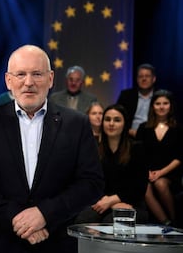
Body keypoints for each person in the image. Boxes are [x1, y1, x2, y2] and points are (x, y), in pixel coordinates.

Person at [0, 44, 104, 253]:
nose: (28, 82)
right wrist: (16, 218)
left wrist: (45, 214)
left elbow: (91, 183)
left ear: (51, 78)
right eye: (20, 74)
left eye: (37, 74)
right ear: (8, 80)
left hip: (56, 246)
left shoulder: (77, 123)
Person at [75, 104, 149, 224]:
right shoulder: (95, 149)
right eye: (107, 119)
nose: (111, 123)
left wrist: (114, 200)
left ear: (125, 124)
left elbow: (139, 186)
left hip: (130, 202)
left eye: (117, 120)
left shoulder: (137, 148)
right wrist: (105, 200)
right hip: (101, 201)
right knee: (83, 220)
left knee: (111, 222)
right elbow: (90, 180)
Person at [135, 89, 183, 226]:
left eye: (165, 103)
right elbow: (138, 154)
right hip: (147, 173)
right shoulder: (143, 128)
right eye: (157, 103)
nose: (161, 107)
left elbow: (180, 157)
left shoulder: (179, 129)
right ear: (152, 106)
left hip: (170, 173)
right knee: (144, 186)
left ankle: (176, 223)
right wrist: (147, 172)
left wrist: (161, 173)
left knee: (160, 183)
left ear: (171, 105)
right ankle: (166, 222)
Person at [116, 63, 157, 138]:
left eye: (147, 76)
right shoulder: (126, 95)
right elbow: (117, 116)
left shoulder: (160, 97)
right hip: (130, 136)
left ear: (154, 79)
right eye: (140, 76)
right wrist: (128, 131)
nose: (144, 79)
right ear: (137, 79)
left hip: (154, 136)